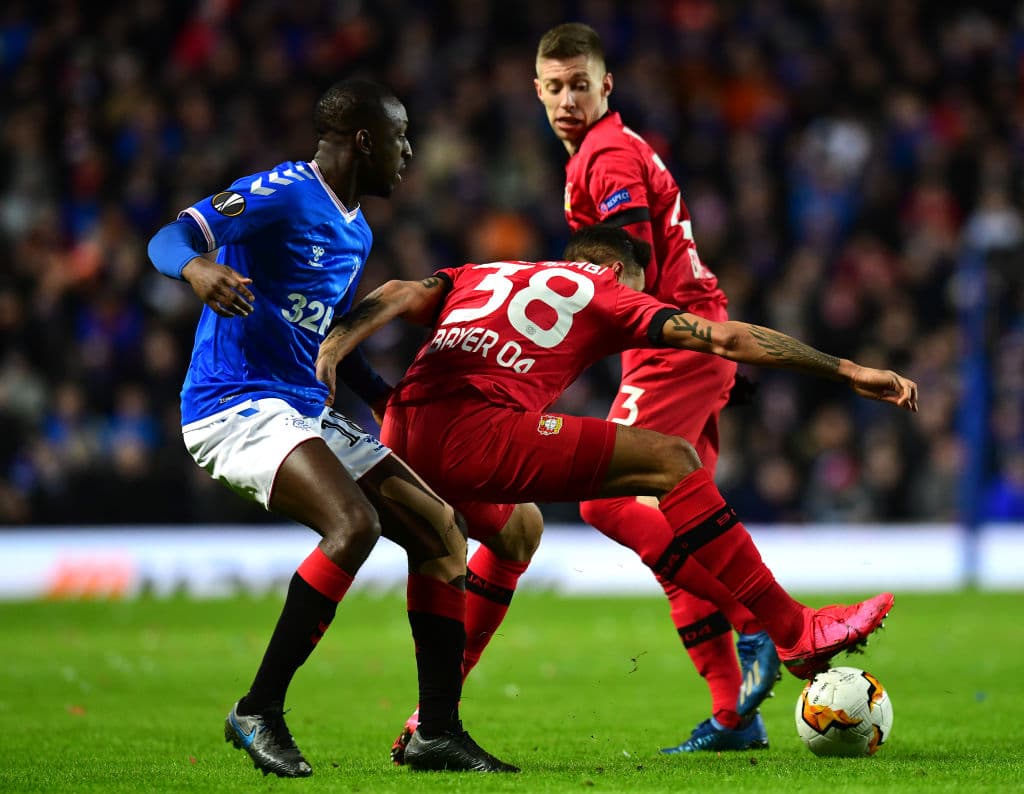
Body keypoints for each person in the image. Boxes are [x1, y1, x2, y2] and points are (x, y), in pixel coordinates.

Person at [317, 225, 916, 759]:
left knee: (518, 530)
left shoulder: (484, 272)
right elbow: (728, 341)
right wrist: (847, 370)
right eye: (640, 284)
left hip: (403, 427)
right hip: (473, 434)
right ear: (618, 270)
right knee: (671, 461)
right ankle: (792, 629)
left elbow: (395, 290)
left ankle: (434, 719)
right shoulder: (604, 288)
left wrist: (335, 350)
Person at [147, 78, 517, 776]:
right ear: (366, 140)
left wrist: (387, 392)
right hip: (233, 404)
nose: (409, 152)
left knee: (442, 532)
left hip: (301, 406)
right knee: (354, 525)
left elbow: (322, 338)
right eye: (402, 137)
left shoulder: (357, 227)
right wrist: (197, 268)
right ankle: (259, 709)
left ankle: (437, 731)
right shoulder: (282, 191)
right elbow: (171, 236)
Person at [533, 22, 776, 752]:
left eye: (581, 84)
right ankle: (734, 715)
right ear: (537, 92)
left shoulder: (604, 159)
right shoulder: (607, 151)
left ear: (607, 86)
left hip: (675, 344)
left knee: (604, 498)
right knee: (671, 535)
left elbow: (627, 270)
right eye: (556, 87)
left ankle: (754, 618)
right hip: (672, 345)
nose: (569, 98)